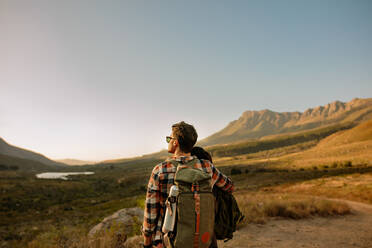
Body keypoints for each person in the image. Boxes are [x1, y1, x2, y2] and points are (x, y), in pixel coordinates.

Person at [142, 121, 234, 248]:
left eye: (169, 138)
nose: (168, 141)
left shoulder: (160, 170)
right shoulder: (206, 166)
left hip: (168, 241)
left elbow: (151, 211)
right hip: (203, 239)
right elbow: (229, 186)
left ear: (175, 142)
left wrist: (147, 241)